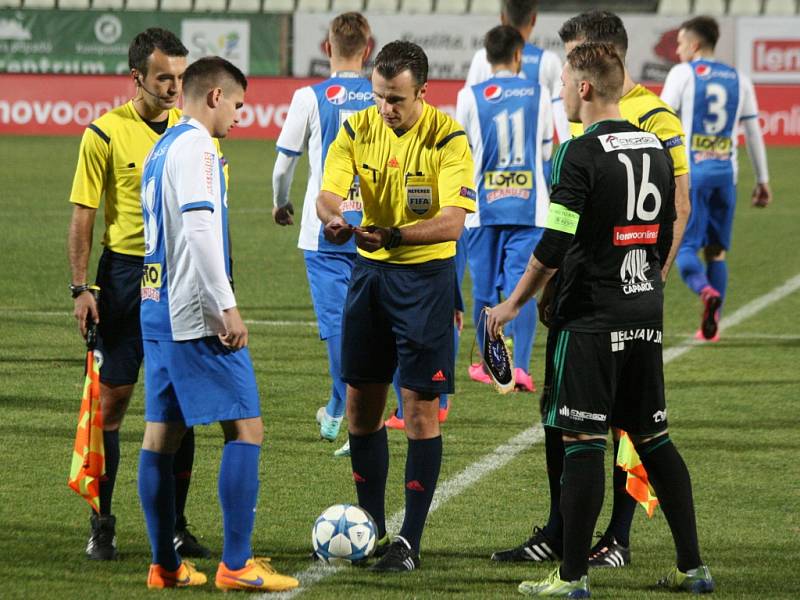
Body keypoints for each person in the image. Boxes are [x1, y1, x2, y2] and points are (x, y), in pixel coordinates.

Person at [488, 41, 714, 597]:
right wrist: (639, 290)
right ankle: (692, 568)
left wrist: (514, 302)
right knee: (654, 438)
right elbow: (662, 237)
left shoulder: (578, 152)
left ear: (584, 87)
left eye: (564, 82)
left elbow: (558, 236)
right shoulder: (658, 148)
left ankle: (571, 577)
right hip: (643, 311)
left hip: (590, 319)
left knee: (583, 440)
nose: (561, 91)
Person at [137, 56, 299, 592]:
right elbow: (201, 229)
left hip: (157, 304)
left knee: (161, 435)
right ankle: (236, 565)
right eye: (237, 105)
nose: (239, 117)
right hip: (194, 313)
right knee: (246, 427)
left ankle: (165, 567)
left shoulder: (162, 147)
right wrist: (225, 306)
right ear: (214, 97)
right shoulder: (200, 148)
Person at [317, 40, 476, 572]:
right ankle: (370, 529)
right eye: (380, 96)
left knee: (419, 411)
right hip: (369, 278)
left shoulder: (448, 136)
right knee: (361, 408)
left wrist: (397, 235)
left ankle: (409, 539)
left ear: (422, 93)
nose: (387, 108)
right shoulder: (357, 127)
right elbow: (327, 193)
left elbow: (454, 220)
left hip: (425, 280)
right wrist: (335, 218)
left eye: (398, 99)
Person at [67, 27, 208, 561]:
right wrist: (82, 288)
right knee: (112, 404)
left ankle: (175, 524)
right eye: (164, 79)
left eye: (180, 77)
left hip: (180, 275)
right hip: (124, 277)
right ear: (137, 79)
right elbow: (83, 215)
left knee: (182, 400)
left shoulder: (192, 132)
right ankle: (101, 522)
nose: (175, 88)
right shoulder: (103, 135)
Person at [272, 12, 375, 456]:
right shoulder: (383, 93)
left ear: (327, 48)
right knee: (371, 323)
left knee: (336, 325)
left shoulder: (309, 96)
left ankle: (355, 420)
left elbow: (284, 164)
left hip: (324, 229)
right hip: (375, 226)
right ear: (368, 49)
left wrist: (281, 202)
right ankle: (338, 404)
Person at [661, 15, 771, 342]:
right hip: (727, 177)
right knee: (716, 251)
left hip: (692, 177)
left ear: (694, 46)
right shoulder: (740, 78)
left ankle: (705, 291)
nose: (678, 51)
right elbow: (753, 132)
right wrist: (762, 180)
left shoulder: (683, 73)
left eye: (680, 44)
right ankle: (713, 325)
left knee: (683, 247)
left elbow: (661, 118)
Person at [456, 24, 553, 393]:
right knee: (521, 289)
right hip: (530, 208)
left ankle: (491, 364)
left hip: (482, 209)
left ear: (486, 57)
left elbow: (460, 153)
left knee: (483, 290)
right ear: (518, 55)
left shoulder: (469, 96)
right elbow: (545, 150)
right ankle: (524, 369)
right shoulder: (540, 93)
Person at [465, 0, 568, 145]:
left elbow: (469, 109)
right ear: (533, 19)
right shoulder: (549, 61)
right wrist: (568, 149)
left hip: (490, 155)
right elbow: (561, 113)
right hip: (531, 159)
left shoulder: (482, 57)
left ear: (502, 18)